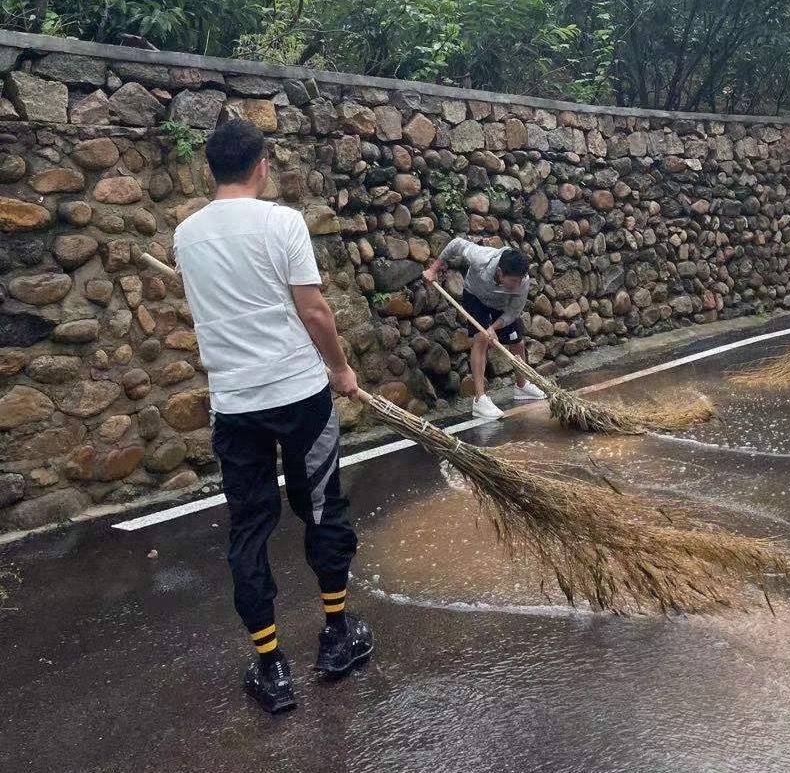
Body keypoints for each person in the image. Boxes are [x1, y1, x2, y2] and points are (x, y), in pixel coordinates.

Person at [173, 119, 374, 714]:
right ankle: (337, 637)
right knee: (320, 509)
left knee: (250, 527)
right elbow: (313, 310)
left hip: (235, 405)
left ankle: (271, 666)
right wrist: (341, 371)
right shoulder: (282, 222)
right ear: (262, 164)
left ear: (209, 168)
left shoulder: (186, 235)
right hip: (298, 394)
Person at [423, 238, 546, 419]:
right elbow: (456, 244)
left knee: (517, 341)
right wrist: (433, 269)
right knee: (481, 339)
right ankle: (480, 400)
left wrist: (494, 327)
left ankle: (522, 386)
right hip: (476, 296)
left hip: (502, 305)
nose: (517, 284)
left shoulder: (523, 281)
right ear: (499, 272)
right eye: (513, 280)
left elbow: (514, 311)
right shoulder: (481, 258)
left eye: (520, 280)